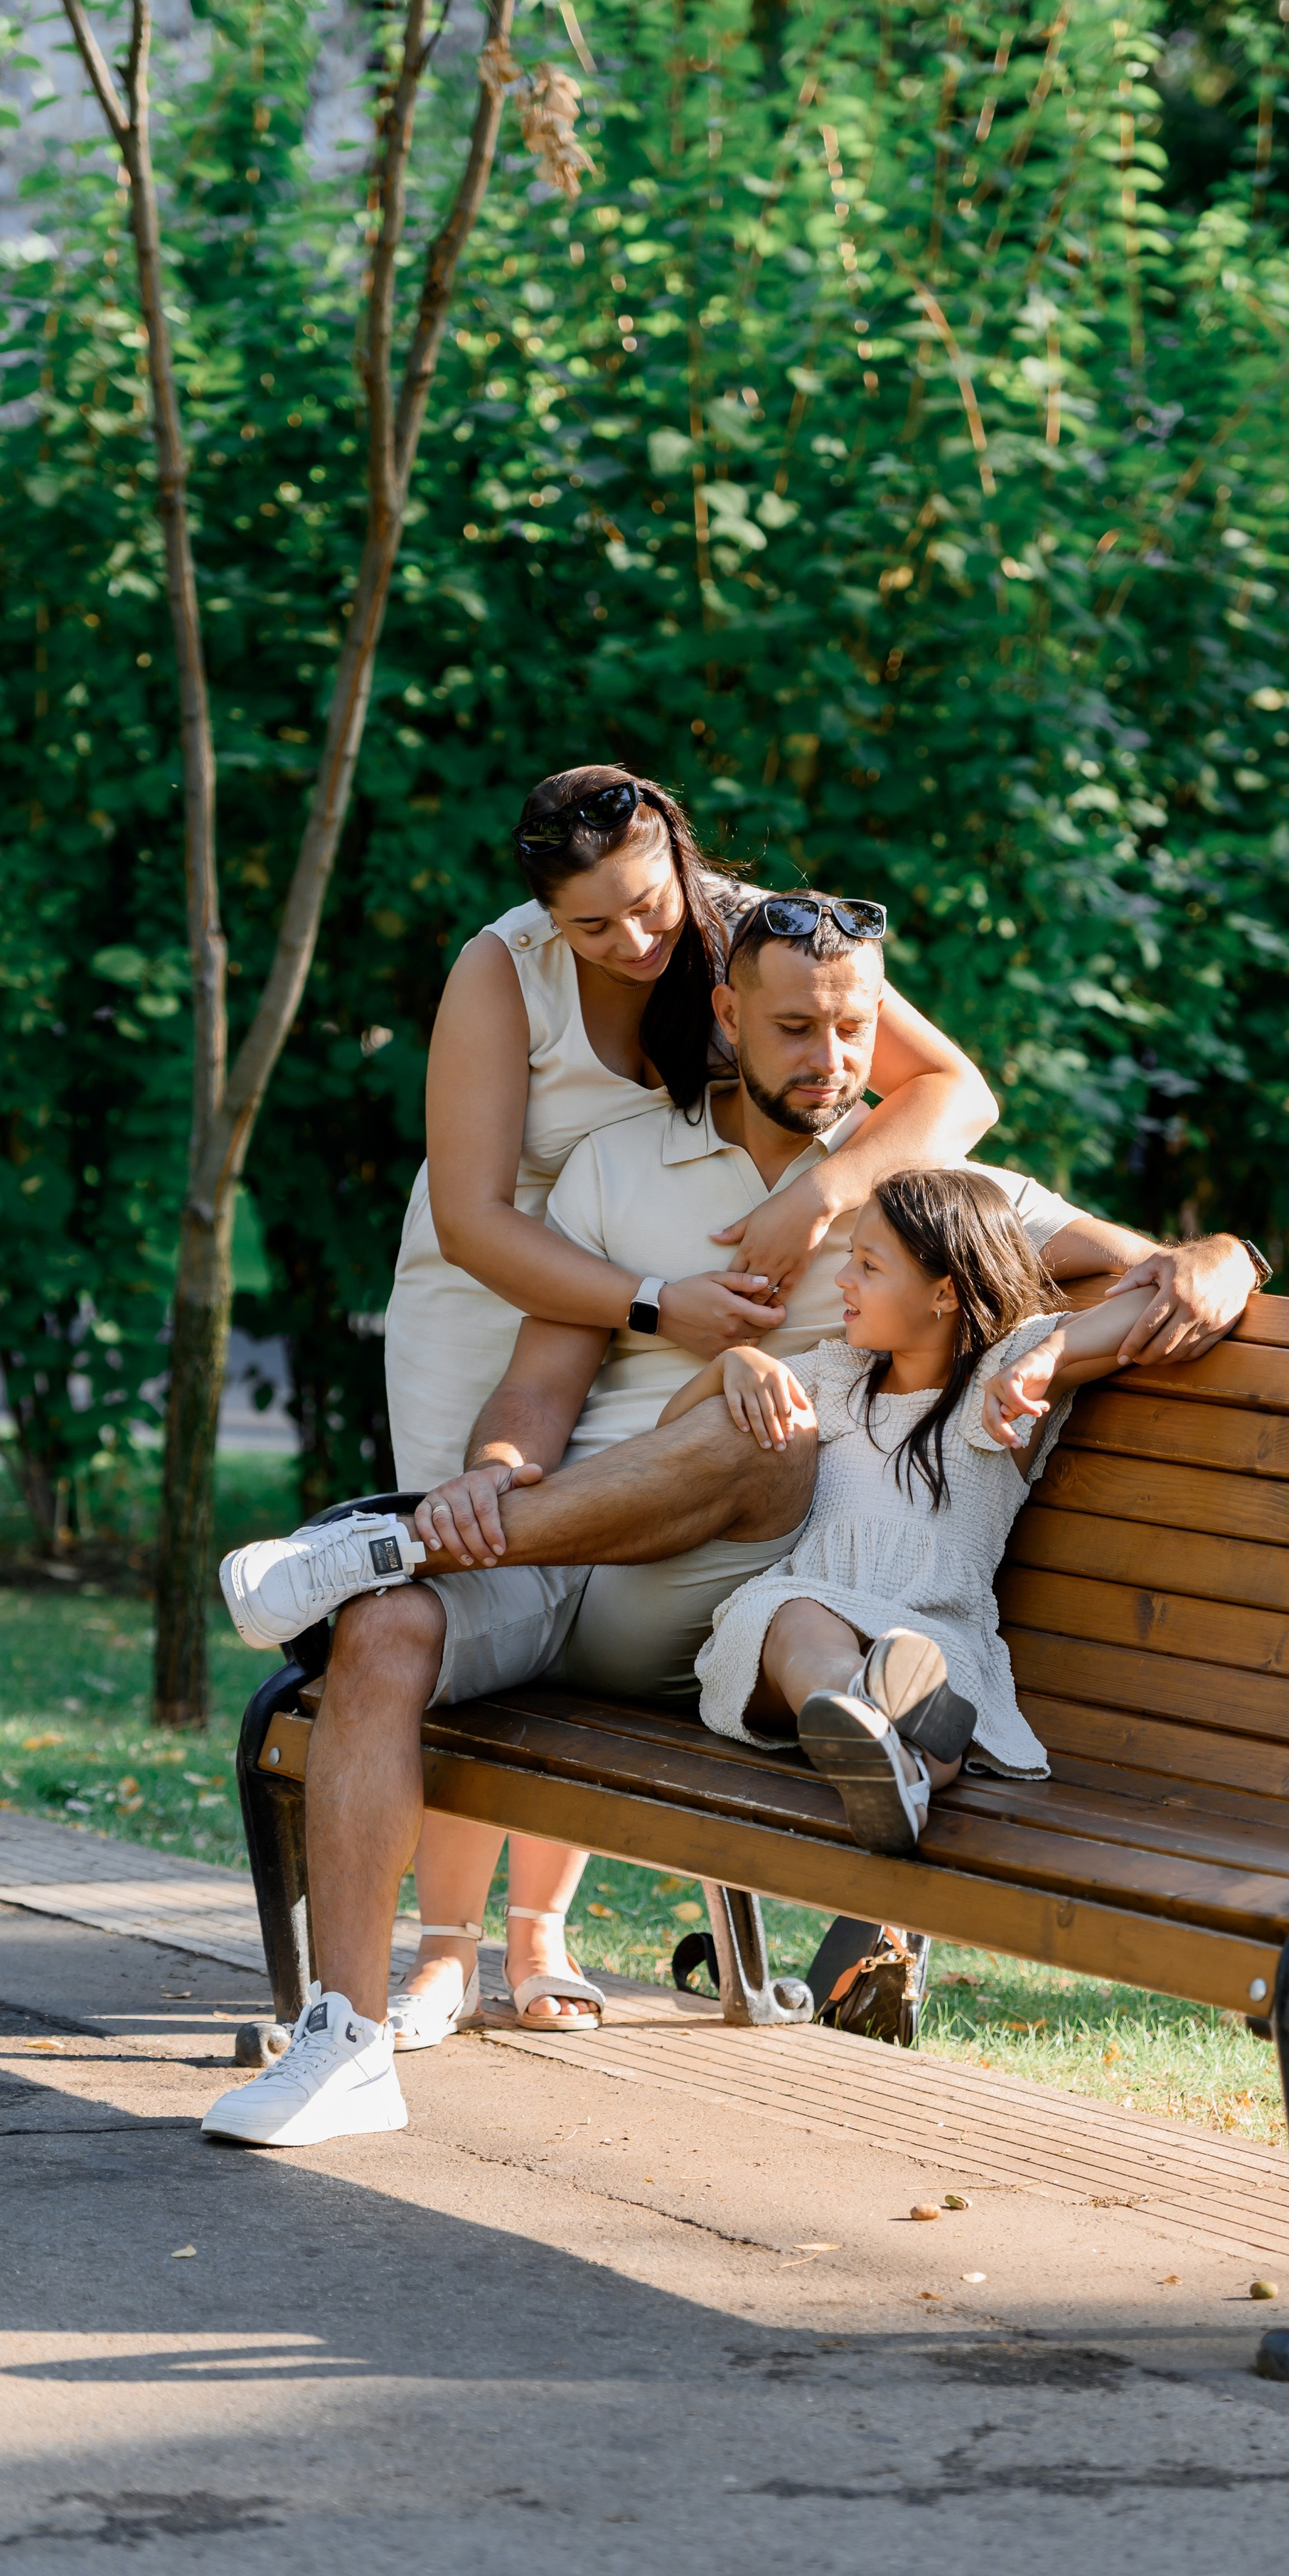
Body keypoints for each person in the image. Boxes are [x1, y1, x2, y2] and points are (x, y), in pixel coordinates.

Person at [206, 905, 1263, 2149]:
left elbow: (1158, 1273)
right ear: (726, 1016)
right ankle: (349, 2041)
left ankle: (393, 1538)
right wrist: (496, 1472)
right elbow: (540, 1391)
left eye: (858, 1026)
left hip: (732, 1600)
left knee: (776, 1418)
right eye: (798, 1026)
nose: (833, 1057)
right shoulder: (620, 1165)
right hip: (566, 1551)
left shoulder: (935, 1203)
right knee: (382, 1635)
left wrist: (1224, 1258)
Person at [378, 765, 998, 2032]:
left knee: (619, 1567)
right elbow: (473, 1216)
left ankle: (541, 1935)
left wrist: (815, 1201)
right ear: (546, 915)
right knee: (486, 1590)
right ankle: (442, 1945)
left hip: (690, 1270)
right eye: (592, 924)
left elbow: (957, 1093)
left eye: (650, 905)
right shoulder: (500, 976)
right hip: (509, 1294)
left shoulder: (756, 934)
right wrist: (657, 1301)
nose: (634, 940)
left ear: (682, 856)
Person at [676, 1166, 1153, 1855]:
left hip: (931, 1634)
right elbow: (673, 1436)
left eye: (868, 1265)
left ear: (945, 1292)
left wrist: (1048, 1357)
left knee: (927, 1696)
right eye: (851, 1258)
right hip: (803, 1632)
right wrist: (732, 1365)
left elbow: (1143, 1314)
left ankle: (900, 1766)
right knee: (796, 1617)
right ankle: (867, 1713)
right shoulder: (831, 1376)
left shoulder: (1003, 1378)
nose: (844, 1279)